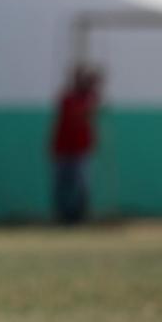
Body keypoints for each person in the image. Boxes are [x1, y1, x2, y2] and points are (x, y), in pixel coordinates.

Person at [50, 64, 101, 225]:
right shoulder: (67, 98)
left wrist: (95, 84)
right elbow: (76, 115)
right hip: (63, 149)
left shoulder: (90, 98)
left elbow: (92, 108)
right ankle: (63, 217)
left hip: (81, 150)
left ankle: (79, 216)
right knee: (62, 186)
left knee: (82, 185)